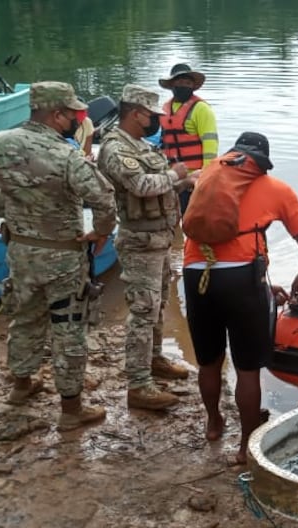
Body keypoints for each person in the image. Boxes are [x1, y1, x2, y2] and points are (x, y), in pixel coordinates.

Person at [0, 81, 116, 431]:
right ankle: (70, 409)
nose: (76, 120)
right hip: (62, 257)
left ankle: (21, 387)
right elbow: (104, 199)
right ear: (56, 113)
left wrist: (11, 213)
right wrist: (101, 231)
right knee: (68, 328)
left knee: (24, 318)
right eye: (72, 114)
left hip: (20, 251)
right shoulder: (66, 156)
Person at [182, 132, 298, 465]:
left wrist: (263, 283)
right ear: (261, 165)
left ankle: (214, 423)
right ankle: (246, 447)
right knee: (247, 370)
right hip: (242, 279)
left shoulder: (207, 177)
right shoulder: (277, 189)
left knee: (209, 361)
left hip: (195, 273)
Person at [96, 84, 194, 411]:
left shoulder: (139, 145)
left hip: (159, 239)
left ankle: (153, 360)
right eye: (151, 116)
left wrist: (186, 180)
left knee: (159, 304)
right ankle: (138, 385)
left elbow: (160, 185)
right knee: (142, 311)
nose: (155, 121)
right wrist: (173, 173)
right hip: (139, 242)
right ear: (136, 113)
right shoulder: (115, 148)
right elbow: (139, 186)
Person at [157, 62, 218, 177]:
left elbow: (210, 144)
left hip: (195, 173)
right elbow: (162, 141)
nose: (183, 86)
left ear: (193, 86)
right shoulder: (165, 108)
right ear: (172, 85)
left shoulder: (201, 109)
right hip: (171, 173)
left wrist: (206, 174)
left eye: (188, 83)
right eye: (179, 82)